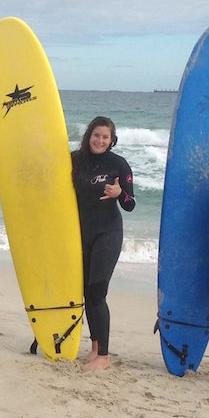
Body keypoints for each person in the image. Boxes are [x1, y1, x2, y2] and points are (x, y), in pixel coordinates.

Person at [70, 115, 135, 371]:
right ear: (89, 135)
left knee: (97, 291)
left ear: (112, 140)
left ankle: (104, 357)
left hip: (107, 232)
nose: (100, 140)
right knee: (86, 291)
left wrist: (121, 194)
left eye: (105, 137)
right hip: (81, 232)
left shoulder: (118, 164)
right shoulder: (75, 160)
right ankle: (95, 346)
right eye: (96, 135)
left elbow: (130, 205)